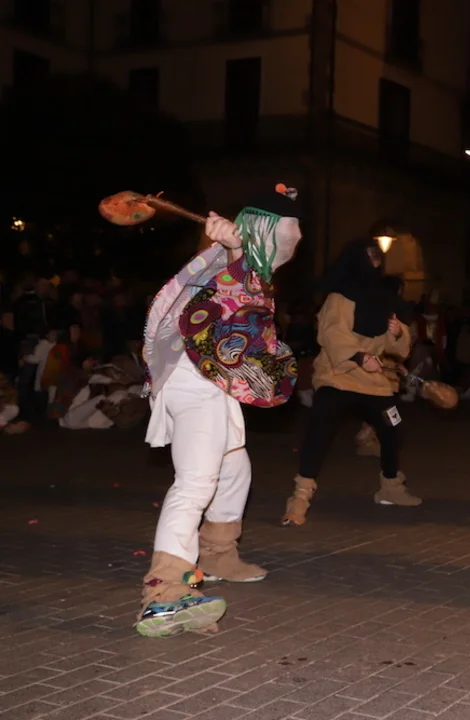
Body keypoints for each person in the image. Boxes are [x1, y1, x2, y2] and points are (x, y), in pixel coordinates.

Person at [137, 185, 303, 637]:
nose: (299, 237)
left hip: (211, 381)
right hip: (195, 382)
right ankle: (164, 593)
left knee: (234, 468)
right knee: (195, 483)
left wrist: (235, 251)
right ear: (267, 231)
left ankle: (217, 555)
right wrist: (234, 248)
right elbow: (226, 289)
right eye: (292, 227)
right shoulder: (228, 262)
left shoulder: (245, 266)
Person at [281, 241, 418, 528]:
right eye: (370, 256)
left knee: (392, 426)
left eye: (377, 257)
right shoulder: (340, 296)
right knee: (320, 431)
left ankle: (390, 487)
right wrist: (359, 356)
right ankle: (300, 496)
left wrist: (396, 333)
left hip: (374, 381)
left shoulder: (383, 298)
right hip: (338, 375)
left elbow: (395, 344)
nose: (375, 262)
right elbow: (331, 333)